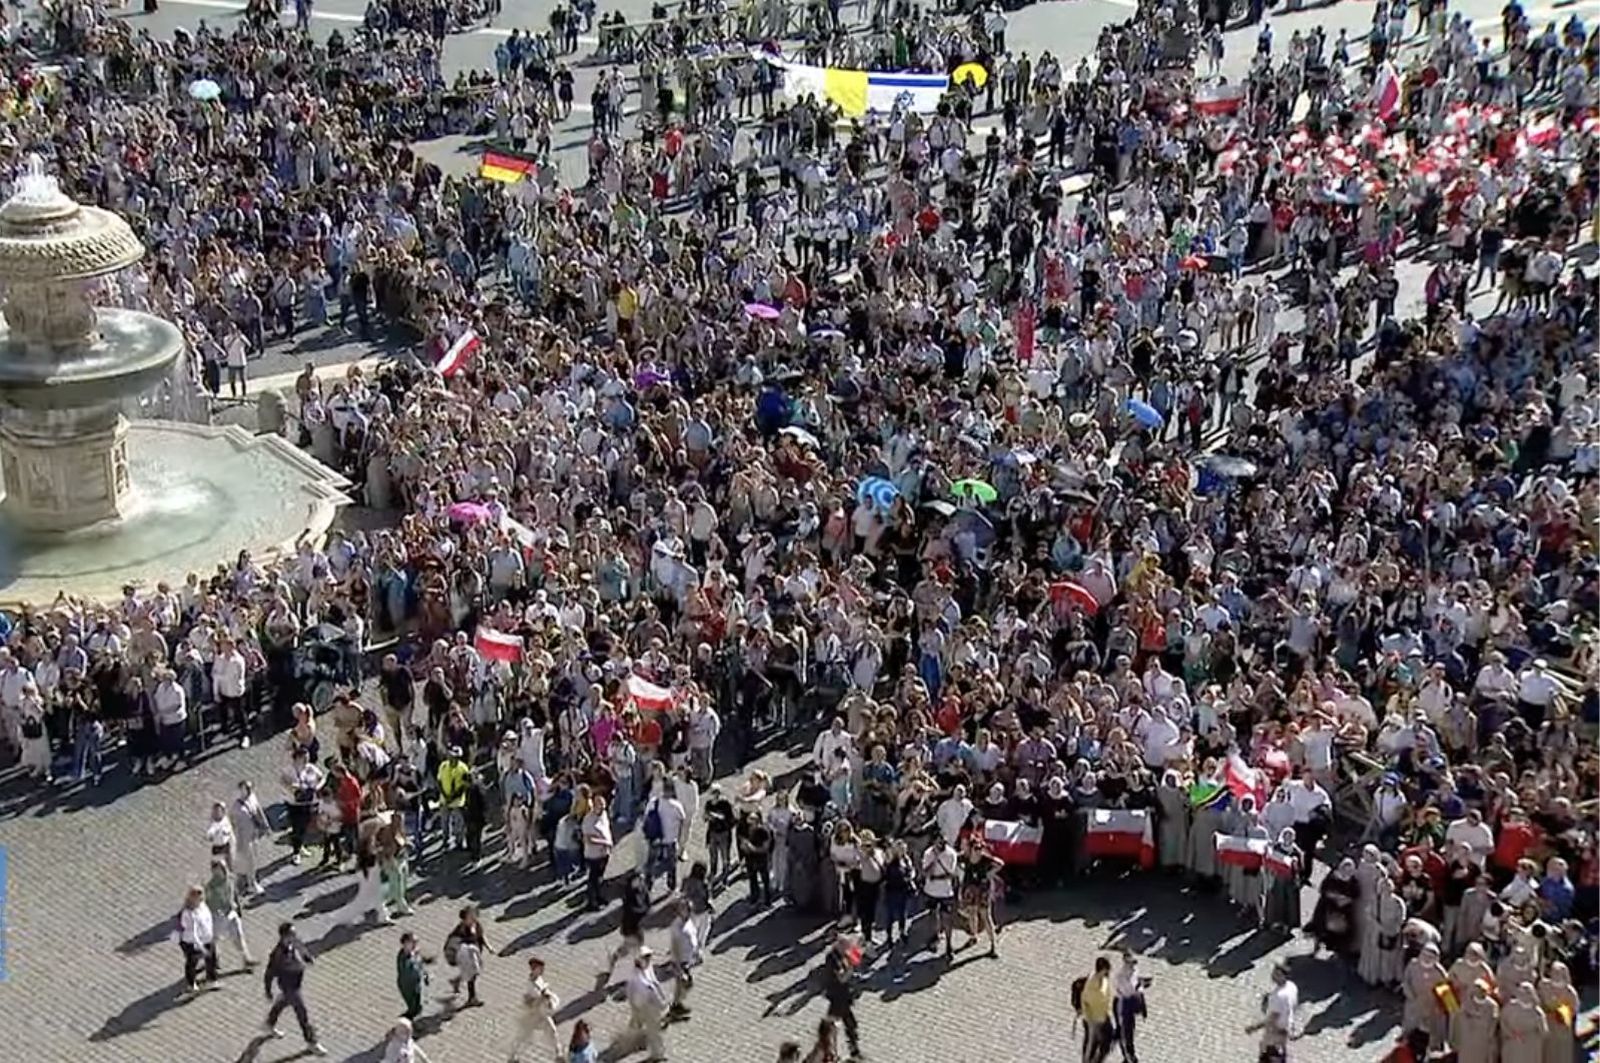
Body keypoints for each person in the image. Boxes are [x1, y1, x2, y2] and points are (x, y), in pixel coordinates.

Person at [263, 922, 326, 1056]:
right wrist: (268, 990)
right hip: (289, 986)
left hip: (296, 983)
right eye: (292, 934)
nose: (295, 936)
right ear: (284, 937)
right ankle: (312, 1042)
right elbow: (269, 973)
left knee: (283, 1002)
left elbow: (302, 950)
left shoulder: (293, 944)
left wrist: (307, 958)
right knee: (302, 1014)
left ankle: (269, 1023)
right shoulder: (278, 954)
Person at [204, 858, 255, 970]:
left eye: (221, 869)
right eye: (216, 870)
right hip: (218, 916)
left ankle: (246, 959)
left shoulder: (230, 880)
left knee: (238, 935)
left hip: (231, 913)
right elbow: (208, 903)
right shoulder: (211, 887)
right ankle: (214, 959)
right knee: (215, 939)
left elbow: (234, 895)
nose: (219, 872)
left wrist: (238, 909)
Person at [508, 956, 560, 1063]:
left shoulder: (538, 979)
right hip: (533, 1015)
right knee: (524, 1036)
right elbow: (530, 1002)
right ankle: (512, 1057)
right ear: (535, 969)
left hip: (542, 1013)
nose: (543, 971)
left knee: (552, 1031)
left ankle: (559, 1055)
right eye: (541, 969)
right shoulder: (530, 985)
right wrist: (542, 998)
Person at [624, 947, 669, 1062]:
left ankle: (634, 1039)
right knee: (654, 1031)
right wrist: (662, 1004)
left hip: (643, 1004)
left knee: (637, 1023)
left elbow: (654, 983)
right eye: (646, 958)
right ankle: (657, 1054)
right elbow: (650, 992)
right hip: (645, 1005)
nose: (649, 960)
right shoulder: (638, 979)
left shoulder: (646, 969)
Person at [822, 933, 862, 1060]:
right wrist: (850, 969)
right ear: (839, 945)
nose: (848, 949)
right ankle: (831, 1049)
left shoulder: (843, 953)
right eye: (846, 946)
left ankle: (852, 1047)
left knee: (845, 1023)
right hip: (837, 995)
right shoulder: (832, 958)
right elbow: (841, 978)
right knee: (838, 1023)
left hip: (844, 995)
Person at [177, 885, 219, 996]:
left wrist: (212, 934)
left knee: (212, 958)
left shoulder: (203, 906)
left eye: (201, 895)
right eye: (197, 896)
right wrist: (201, 947)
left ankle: (212, 979)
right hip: (191, 942)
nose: (200, 898)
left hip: (207, 938)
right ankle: (191, 984)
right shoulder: (188, 913)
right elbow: (193, 933)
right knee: (192, 962)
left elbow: (208, 920)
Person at [920, 836, 959, 957]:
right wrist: (935, 859)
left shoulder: (951, 854)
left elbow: (950, 874)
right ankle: (934, 937)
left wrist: (935, 878)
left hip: (946, 892)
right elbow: (926, 872)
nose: (941, 845)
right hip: (930, 891)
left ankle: (948, 944)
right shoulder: (928, 853)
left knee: (946, 918)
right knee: (932, 916)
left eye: (943, 842)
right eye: (939, 842)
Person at [444, 905, 489, 1006]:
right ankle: (472, 998)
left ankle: (457, 981)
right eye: (470, 916)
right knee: (472, 976)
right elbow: (456, 944)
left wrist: (489, 947)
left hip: (475, 953)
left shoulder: (476, 924)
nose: (473, 917)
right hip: (467, 957)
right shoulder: (461, 930)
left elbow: (481, 936)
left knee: (474, 973)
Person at [1111, 952, 1148, 1063]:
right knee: (1126, 1034)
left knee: (1128, 1030)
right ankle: (1129, 1058)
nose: (1133, 966)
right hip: (1123, 1006)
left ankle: (1128, 1054)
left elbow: (1136, 986)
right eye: (1131, 963)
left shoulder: (1134, 971)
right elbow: (1129, 991)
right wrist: (1140, 987)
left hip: (1129, 1005)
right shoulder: (1121, 977)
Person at [667, 897, 699, 1021]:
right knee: (683, 984)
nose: (689, 912)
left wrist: (696, 951)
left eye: (689, 909)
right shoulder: (677, 926)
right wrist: (678, 967)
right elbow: (675, 948)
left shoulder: (688, 921)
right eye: (686, 909)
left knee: (683, 985)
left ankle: (676, 1005)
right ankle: (675, 1007)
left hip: (688, 959)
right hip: (681, 961)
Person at [1079, 955, 1115, 1063]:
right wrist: (1091, 1023)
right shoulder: (1092, 986)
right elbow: (1085, 1002)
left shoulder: (1104, 979)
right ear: (1102, 970)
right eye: (1107, 969)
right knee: (1092, 1046)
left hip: (1104, 1016)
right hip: (1094, 1021)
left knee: (1106, 1043)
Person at [396, 932, 429, 1021]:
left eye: (415, 943)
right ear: (404, 944)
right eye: (412, 943)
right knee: (412, 1003)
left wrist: (425, 975)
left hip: (416, 982)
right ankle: (410, 1015)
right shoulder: (403, 957)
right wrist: (412, 956)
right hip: (407, 985)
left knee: (418, 1001)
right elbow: (406, 969)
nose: (414, 945)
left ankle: (415, 1014)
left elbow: (420, 965)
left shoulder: (415, 953)